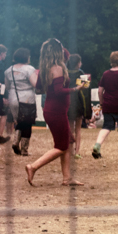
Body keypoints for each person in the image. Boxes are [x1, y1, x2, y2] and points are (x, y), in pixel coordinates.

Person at [26, 38, 84, 186]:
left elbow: (38, 87)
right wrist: (75, 89)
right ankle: (33, 167)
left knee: (68, 141)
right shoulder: (57, 68)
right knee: (61, 146)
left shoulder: (46, 68)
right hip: (57, 111)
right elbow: (59, 91)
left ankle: (67, 178)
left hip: (51, 110)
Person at [4, 47, 38, 156]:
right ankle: (24, 149)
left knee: (19, 121)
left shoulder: (8, 70)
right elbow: (35, 84)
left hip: (13, 98)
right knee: (27, 123)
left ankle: (15, 141)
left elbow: (7, 86)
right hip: (27, 98)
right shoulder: (29, 69)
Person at [67, 54, 92, 158]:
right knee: (78, 129)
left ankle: (69, 151)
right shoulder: (80, 73)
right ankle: (77, 152)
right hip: (78, 103)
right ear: (78, 63)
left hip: (67, 102)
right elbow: (85, 89)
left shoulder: (65, 73)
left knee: (70, 129)